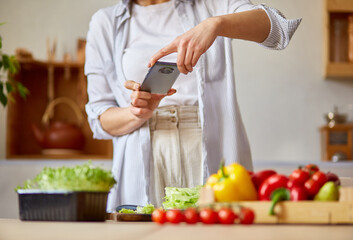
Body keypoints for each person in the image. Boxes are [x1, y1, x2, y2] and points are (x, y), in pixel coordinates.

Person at [85, 0, 301, 210]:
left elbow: (279, 29)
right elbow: (100, 119)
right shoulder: (105, 22)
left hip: (208, 147)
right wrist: (137, 113)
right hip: (143, 156)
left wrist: (215, 25)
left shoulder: (211, 5)